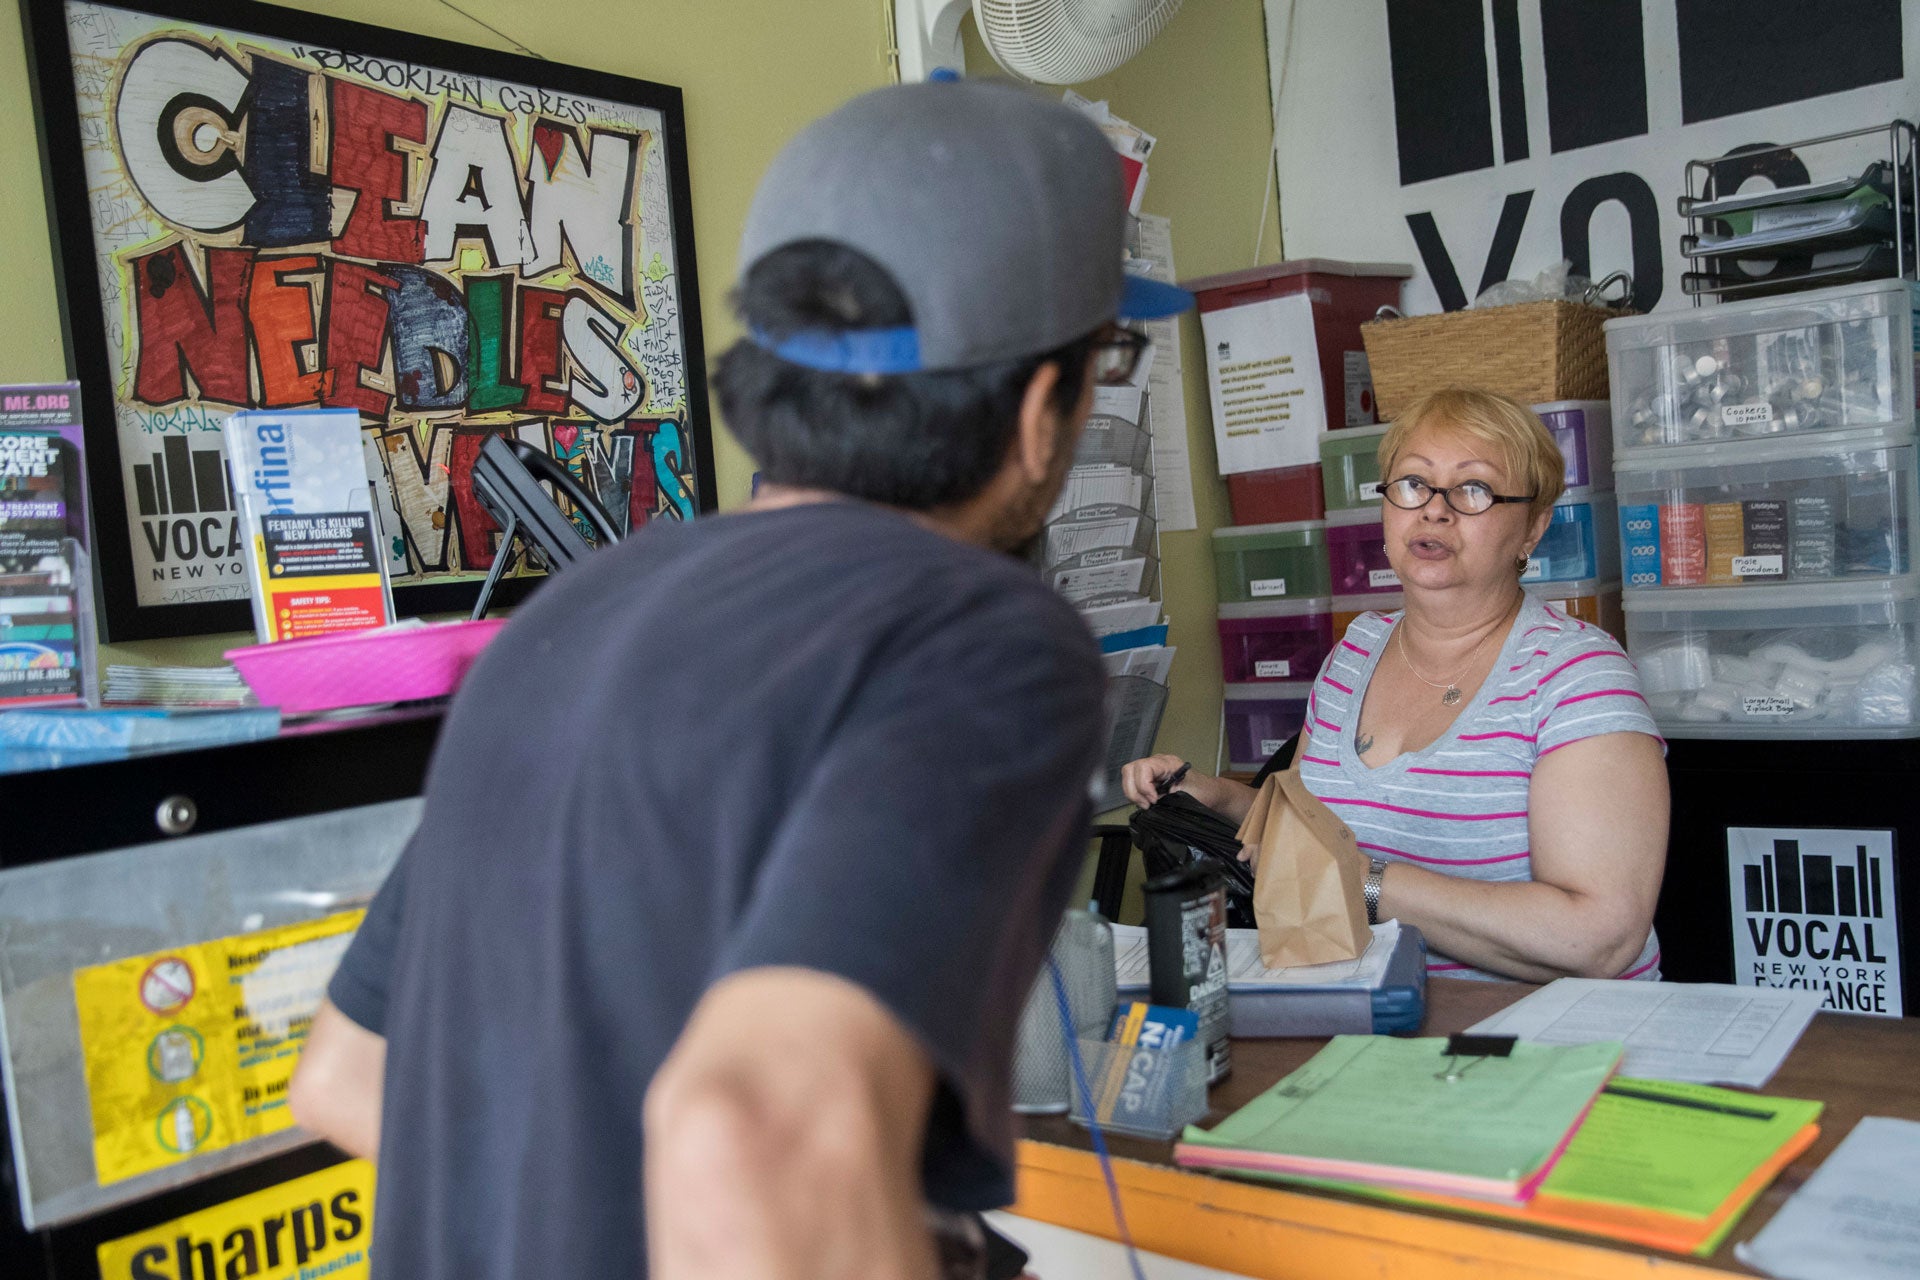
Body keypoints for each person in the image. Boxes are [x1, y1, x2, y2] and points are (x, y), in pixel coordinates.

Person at [289, 80, 1192, 1280]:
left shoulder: (569, 616)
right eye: (1105, 359)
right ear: (1041, 406)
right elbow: (754, 1130)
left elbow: (349, 1075)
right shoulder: (978, 632)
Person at [1124, 388, 1667, 983]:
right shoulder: (1356, 651)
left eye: (1474, 489)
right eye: (1413, 483)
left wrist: (1369, 883)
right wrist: (1215, 795)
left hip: (1540, 1041)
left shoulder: (1579, 674)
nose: (1435, 510)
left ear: (1532, 530)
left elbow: (1601, 939)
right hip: (1363, 1014)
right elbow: (1313, 831)